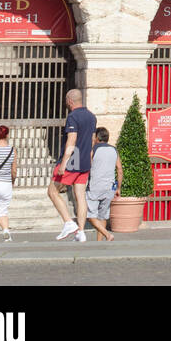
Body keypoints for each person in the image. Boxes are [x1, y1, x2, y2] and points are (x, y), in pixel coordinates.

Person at [48, 88, 96, 242]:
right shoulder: (91, 116)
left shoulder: (73, 117)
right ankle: (81, 232)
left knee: (52, 191)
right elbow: (92, 140)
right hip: (84, 162)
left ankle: (68, 222)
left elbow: (71, 140)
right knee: (80, 197)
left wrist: (64, 163)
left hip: (73, 161)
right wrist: (89, 157)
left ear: (70, 101)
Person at [86, 127, 123, 242]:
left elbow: (88, 167)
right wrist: (118, 188)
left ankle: (107, 235)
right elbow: (120, 169)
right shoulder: (114, 150)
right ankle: (99, 242)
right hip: (109, 187)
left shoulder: (93, 149)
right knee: (102, 216)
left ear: (97, 137)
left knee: (89, 216)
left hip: (95, 186)